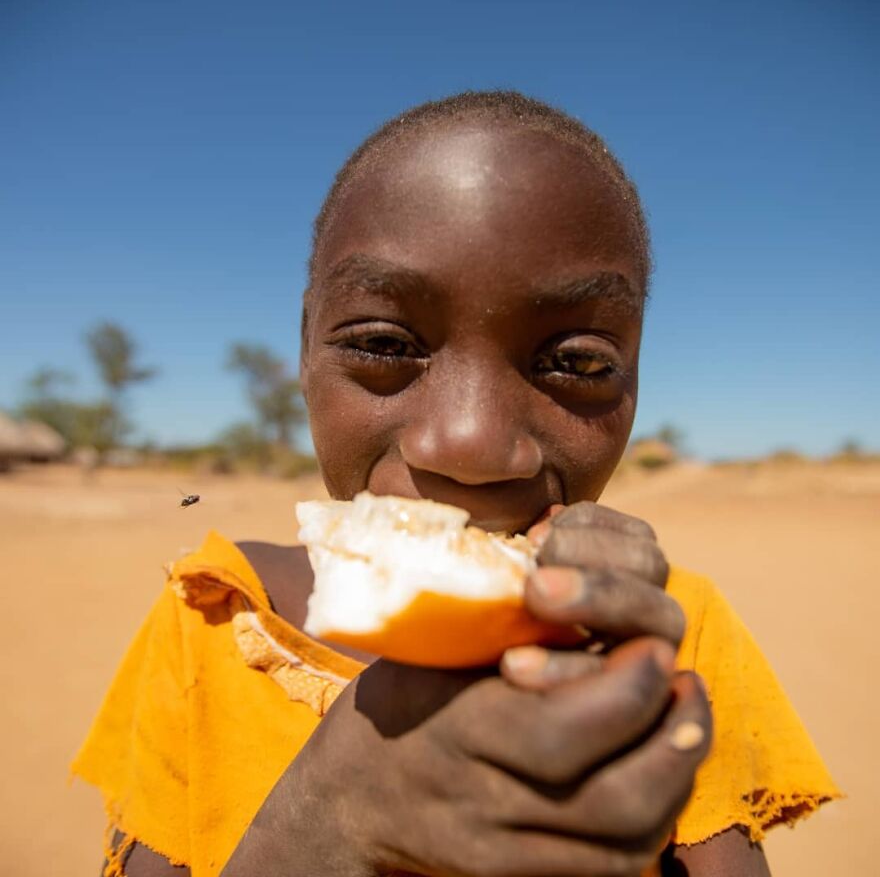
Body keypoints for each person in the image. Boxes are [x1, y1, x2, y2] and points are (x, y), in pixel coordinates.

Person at [73, 91, 839, 877]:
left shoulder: (669, 634)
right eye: (382, 342)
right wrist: (328, 819)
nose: (471, 446)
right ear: (305, 348)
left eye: (576, 361)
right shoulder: (215, 618)